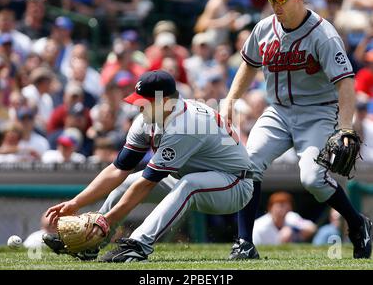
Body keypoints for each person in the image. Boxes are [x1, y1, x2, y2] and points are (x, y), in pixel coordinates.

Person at [221, 0, 372, 260]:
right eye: (272, 0)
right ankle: (244, 242)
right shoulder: (264, 28)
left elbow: (346, 82)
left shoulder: (323, 34)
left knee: (313, 179)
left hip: (317, 112)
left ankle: (357, 223)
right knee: (247, 163)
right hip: (277, 111)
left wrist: (343, 127)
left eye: (282, 0)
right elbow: (248, 64)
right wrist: (230, 99)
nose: (276, 6)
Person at [44, 70, 253, 262]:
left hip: (234, 184)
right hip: (191, 177)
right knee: (128, 182)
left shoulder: (185, 124)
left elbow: (148, 183)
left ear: (165, 101)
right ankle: (93, 244)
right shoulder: (148, 119)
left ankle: (138, 245)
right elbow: (118, 169)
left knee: (189, 183)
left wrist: (107, 219)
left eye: (145, 102)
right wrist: (77, 202)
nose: (138, 106)